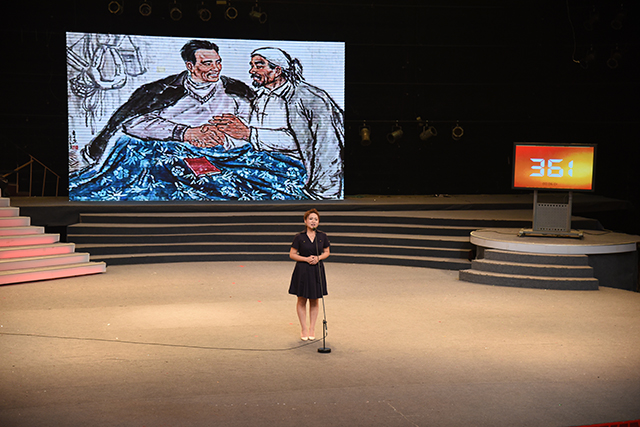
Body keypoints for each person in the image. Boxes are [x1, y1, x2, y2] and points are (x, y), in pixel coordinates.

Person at [75, 39, 254, 169]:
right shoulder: (162, 90)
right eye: (207, 64)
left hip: (225, 157)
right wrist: (184, 133)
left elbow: (251, 126)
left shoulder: (237, 91)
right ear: (190, 66)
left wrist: (220, 138)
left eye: (218, 62)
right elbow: (132, 122)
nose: (216, 68)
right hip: (170, 158)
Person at [210, 47, 344, 200]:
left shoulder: (309, 97)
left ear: (278, 70)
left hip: (297, 170)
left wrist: (249, 133)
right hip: (264, 161)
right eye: (252, 66)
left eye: (259, 66)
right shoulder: (261, 97)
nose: (252, 71)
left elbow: (321, 146)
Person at [289, 209, 330, 340]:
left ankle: (312, 328)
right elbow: (292, 254)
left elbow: (327, 251)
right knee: (301, 299)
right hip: (302, 270)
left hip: (317, 270)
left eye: (316, 219)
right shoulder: (299, 237)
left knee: (314, 299)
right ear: (305, 221)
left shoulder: (322, 236)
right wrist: (306, 259)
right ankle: (304, 328)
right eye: (311, 219)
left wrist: (318, 258)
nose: (313, 221)